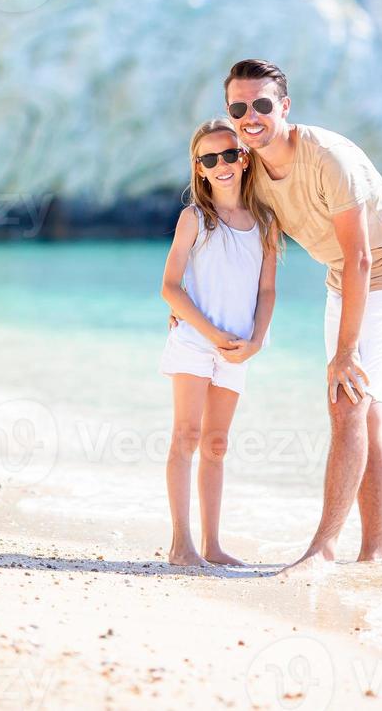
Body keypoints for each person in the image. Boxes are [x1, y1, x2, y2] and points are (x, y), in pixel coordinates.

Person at [223, 59, 382, 572]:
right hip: (344, 280)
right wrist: (202, 313)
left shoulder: (330, 157)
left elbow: (361, 255)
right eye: (239, 107)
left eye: (263, 105)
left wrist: (344, 353)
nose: (251, 116)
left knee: (346, 401)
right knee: (365, 409)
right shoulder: (252, 169)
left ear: (285, 106)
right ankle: (377, 553)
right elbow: (256, 254)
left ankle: (323, 549)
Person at [160, 117, 279, 567]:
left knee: (216, 444)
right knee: (186, 436)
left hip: (238, 349)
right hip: (195, 340)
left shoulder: (265, 222)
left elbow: (267, 291)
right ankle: (181, 545)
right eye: (210, 159)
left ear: (244, 159)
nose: (222, 164)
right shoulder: (194, 218)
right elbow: (170, 288)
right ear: (199, 167)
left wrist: (256, 341)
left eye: (230, 154)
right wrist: (210, 334)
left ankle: (212, 545)